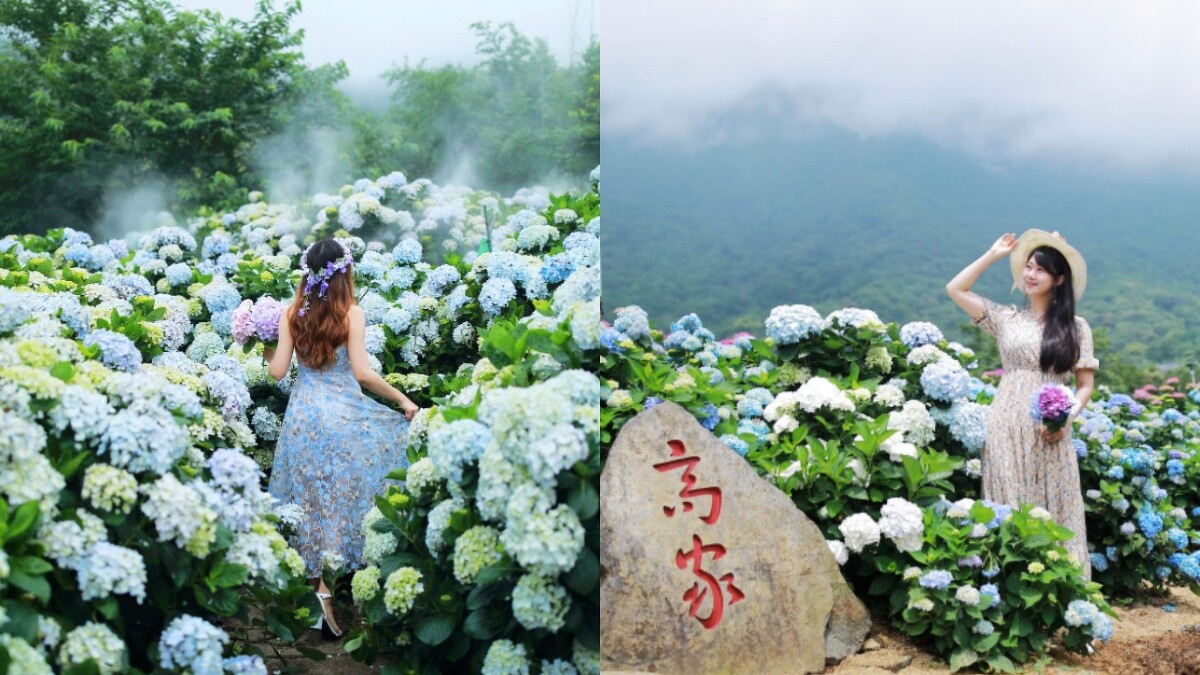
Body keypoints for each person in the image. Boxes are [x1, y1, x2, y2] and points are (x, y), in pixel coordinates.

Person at [263, 237, 420, 638]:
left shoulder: (291, 312)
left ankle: (319, 594)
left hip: (303, 422)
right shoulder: (351, 312)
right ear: (344, 272)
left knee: (312, 505)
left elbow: (278, 372)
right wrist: (404, 401)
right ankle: (327, 595)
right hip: (343, 418)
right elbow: (364, 373)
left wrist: (262, 345)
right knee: (341, 501)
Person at [946, 229, 1098, 580]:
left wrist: (1064, 420)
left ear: (1058, 279)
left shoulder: (1076, 328)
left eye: (1040, 269)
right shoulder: (1006, 319)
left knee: (1058, 507)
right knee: (1008, 501)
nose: (1030, 274)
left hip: (1051, 429)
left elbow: (1085, 386)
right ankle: (1010, 596)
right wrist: (992, 254)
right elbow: (956, 289)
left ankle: (1068, 602)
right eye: (1028, 267)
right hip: (1005, 424)